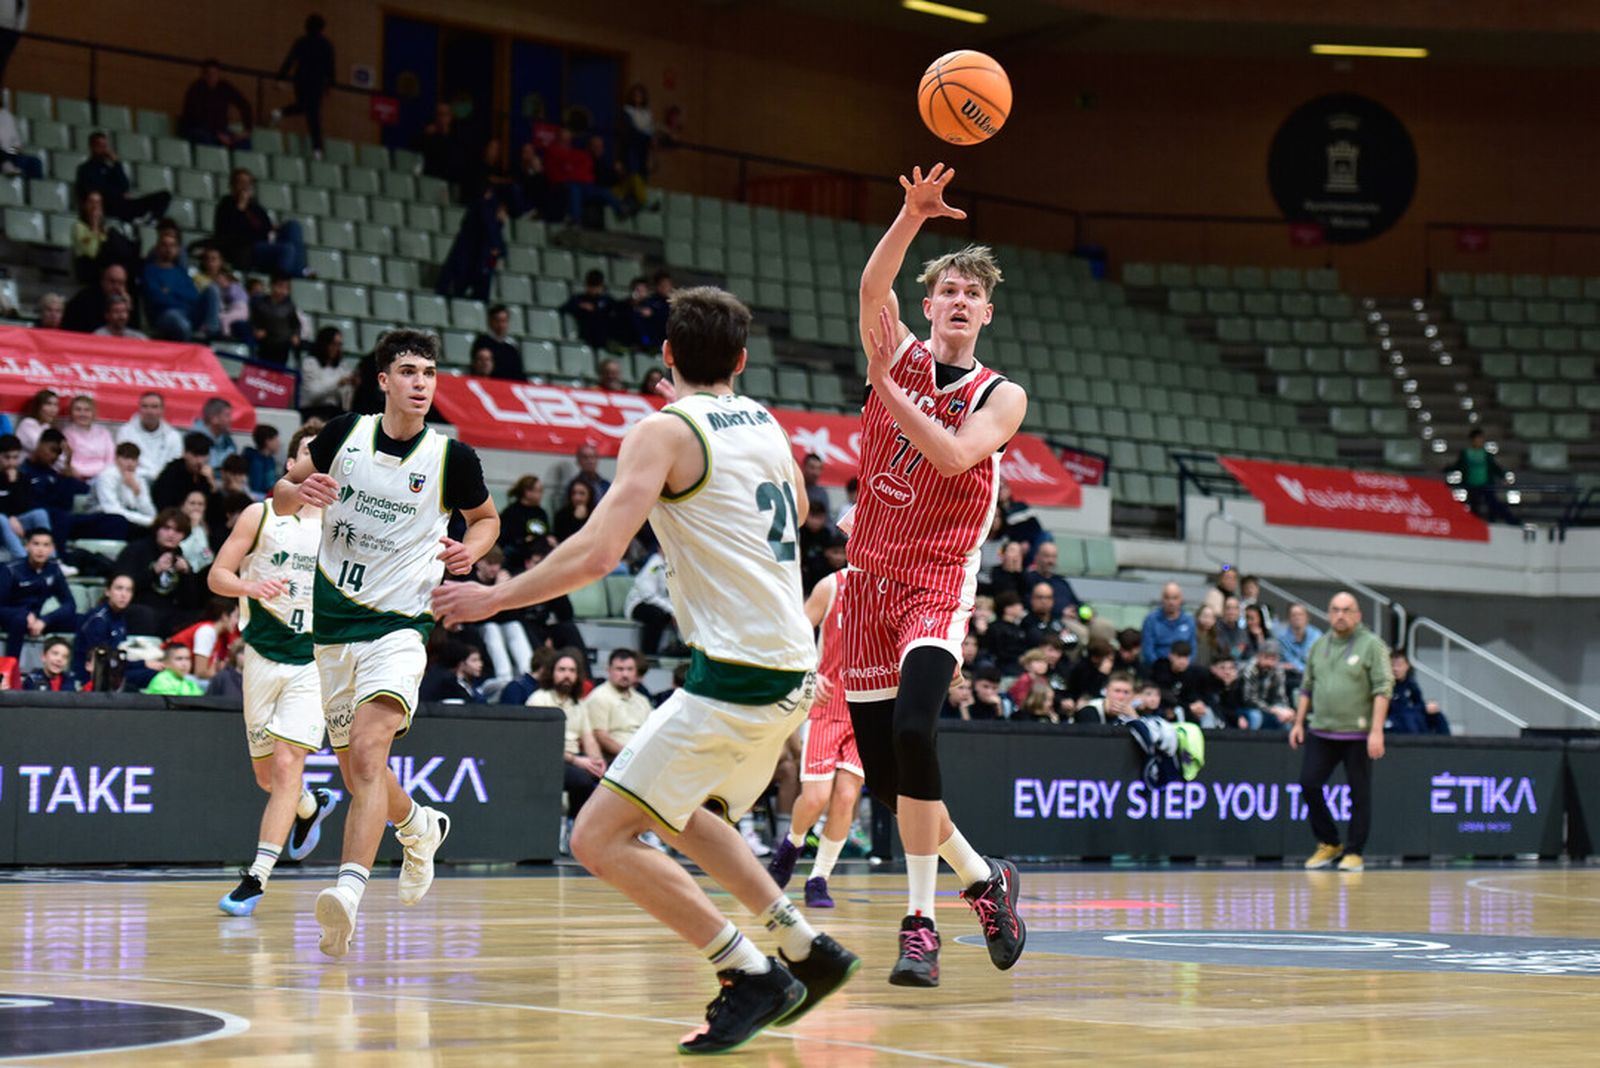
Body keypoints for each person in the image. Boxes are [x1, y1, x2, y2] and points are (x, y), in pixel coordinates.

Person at [433, 286, 859, 1055]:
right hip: (795, 666)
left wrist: (492, 598)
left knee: (598, 839)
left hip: (738, 674)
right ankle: (802, 944)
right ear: (741, 360)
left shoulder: (662, 432)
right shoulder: (764, 420)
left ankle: (749, 972)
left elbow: (596, 555)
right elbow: (795, 513)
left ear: (665, 355)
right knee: (679, 810)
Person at [847, 163, 1028, 987]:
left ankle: (919, 925)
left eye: (970, 294)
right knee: (889, 778)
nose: (956, 301)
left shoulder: (1003, 394)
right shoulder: (895, 350)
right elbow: (871, 280)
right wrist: (912, 215)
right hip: (865, 585)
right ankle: (986, 882)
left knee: (916, 733)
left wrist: (887, 390)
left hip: (935, 582)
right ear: (928, 306)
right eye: (945, 290)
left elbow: (953, 454)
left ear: (986, 313)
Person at [274, 329, 499, 958]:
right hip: (333, 625)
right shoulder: (345, 434)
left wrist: (468, 553)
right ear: (383, 381)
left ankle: (346, 892)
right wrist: (300, 493)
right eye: (408, 371)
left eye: (429, 371)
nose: (421, 382)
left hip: (401, 626)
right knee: (356, 773)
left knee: (369, 757)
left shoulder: (453, 459)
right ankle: (419, 824)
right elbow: (283, 493)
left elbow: (486, 520)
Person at [767, 568, 862, 909]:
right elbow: (795, 634)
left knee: (846, 796)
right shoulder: (832, 584)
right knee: (814, 798)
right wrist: (808, 674)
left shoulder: (895, 587)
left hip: (868, 708)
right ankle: (791, 846)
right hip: (827, 705)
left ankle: (819, 878)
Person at [1290, 591, 1394, 874]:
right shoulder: (1319, 645)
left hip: (1358, 734)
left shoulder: (1372, 645)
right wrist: (1298, 723)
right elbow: (1307, 686)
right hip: (1321, 730)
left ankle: (1354, 852)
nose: (1340, 615)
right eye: (1335, 609)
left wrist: (1376, 731)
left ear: (1358, 615)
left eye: (1346, 610)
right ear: (1328, 613)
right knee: (1309, 783)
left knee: (1359, 793)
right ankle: (1329, 842)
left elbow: (1383, 688)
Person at [114, 507, 204, 635]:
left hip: (168, 613)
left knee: (199, 616)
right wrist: (154, 570)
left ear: (184, 536)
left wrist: (187, 574)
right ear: (157, 529)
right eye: (167, 528)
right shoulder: (136, 550)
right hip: (137, 607)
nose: (171, 534)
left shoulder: (180, 557)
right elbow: (120, 587)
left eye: (178, 531)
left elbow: (190, 603)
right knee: (146, 615)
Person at [74, 573, 162, 689]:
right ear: (108, 592)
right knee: (155, 675)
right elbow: (103, 661)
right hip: (94, 676)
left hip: (115, 669)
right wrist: (143, 663)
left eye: (128, 590)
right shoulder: (98, 620)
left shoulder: (119, 616)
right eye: (119, 588)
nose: (123, 594)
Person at [214, 169, 306, 278]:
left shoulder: (255, 207)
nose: (245, 186)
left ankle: (299, 273)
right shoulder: (226, 205)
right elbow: (229, 231)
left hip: (263, 243)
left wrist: (274, 229)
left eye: (248, 183)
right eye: (241, 182)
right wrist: (240, 207)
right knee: (287, 249)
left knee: (293, 227)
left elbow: (266, 226)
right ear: (233, 186)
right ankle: (286, 280)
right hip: (246, 249)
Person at [0, 528, 76, 656]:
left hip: (38, 620)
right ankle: (12, 667)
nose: (40, 550)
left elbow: (70, 604)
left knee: (82, 620)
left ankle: (75, 672)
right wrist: (24, 614)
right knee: (19, 620)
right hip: (12, 617)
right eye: (36, 544)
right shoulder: (10, 570)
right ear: (27, 546)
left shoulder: (53, 570)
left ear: (52, 548)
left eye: (46, 545)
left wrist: (45, 620)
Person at [74, 131, 170, 225]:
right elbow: (97, 191)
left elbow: (125, 186)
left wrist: (116, 163)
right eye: (100, 146)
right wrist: (119, 193)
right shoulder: (85, 169)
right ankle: (136, 220)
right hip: (107, 207)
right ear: (92, 147)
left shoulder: (110, 168)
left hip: (124, 204)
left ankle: (152, 222)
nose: (104, 149)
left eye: (105, 146)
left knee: (164, 195)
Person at [273, 14, 336, 155]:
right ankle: (317, 148)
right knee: (312, 112)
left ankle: (281, 112)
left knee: (305, 107)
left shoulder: (301, 41)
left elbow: (289, 61)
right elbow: (330, 67)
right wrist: (330, 84)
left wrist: (280, 77)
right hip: (316, 82)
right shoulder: (326, 45)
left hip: (301, 80)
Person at [143, 229, 222, 342]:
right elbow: (157, 299)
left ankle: (210, 335)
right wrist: (181, 296)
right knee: (177, 319)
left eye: (172, 246)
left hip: (188, 313)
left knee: (212, 290)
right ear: (158, 248)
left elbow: (194, 296)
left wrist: (171, 292)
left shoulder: (181, 271)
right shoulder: (150, 271)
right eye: (165, 245)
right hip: (165, 315)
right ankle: (189, 348)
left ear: (177, 249)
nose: (168, 249)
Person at [580, 648, 653, 759]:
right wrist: (631, 756)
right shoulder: (599, 697)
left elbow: (652, 732)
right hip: (616, 760)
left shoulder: (642, 700)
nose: (625, 674)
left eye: (630, 669)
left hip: (644, 756)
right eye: (620, 669)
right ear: (609, 670)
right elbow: (601, 737)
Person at [180, 59, 253, 147]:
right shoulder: (195, 90)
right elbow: (196, 118)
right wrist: (217, 134)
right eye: (209, 74)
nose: (212, 77)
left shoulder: (225, 87)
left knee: (244, 143)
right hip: (197, 129)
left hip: (220, 131)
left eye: (215, 74)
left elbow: (244, 105)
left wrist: (247, 130)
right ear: (203, 75)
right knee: (205, 138)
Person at [1449, 428, 1516, 524]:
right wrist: (1445, 470)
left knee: (1493, 503)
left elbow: (1494, 467)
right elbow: (1458, 466)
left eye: (1481, 439)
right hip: (1472, 485)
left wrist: (1503, 476)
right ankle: (1474, 525)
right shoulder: (1466, 453)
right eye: (1478, 439)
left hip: (1486, 484)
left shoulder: (1486, 454)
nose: (1480, 441)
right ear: (1473, 440)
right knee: (1474, 506)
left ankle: (1500, 521)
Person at [116, 393, 185, 484]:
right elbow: (125, 463)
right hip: (135, 480)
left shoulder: (173, 436)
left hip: (165, 483)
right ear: (139, 409)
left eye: (154, 407)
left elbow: (175, 466)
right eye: (145, 406)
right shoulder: (126, 432)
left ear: (162, 410)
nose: (149, 411)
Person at [166, 596, 239, 680]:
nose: (237, 622)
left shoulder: (219, 636)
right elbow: (200, 673)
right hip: (169, 675)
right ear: (225, 616)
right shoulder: (207, 632)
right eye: (236, 616)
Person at [93, 441, 156, 530]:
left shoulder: (139, 478)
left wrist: (137, 491)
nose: (130, 463)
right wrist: (147, 521)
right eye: (126, 458)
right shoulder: (107, 476)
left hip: (128, 520)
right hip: (100, 518)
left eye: (134, 459)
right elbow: (111, 510)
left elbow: (150, 514)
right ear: (116, 459)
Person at [622, 550, 676, 654]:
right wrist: (672, 610)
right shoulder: (654, 564)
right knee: (656, 615)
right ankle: (649, 655)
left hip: (661, 605)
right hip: (639, 604)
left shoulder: (673, 565)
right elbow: (648, 595)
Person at [1386, 652, 1449, 735]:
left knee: (1437, 714)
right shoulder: (1385, 686)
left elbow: (1419, 703)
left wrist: (1429, 707)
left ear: (1407, 666)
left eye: (1399, 665)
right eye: (1393, 665)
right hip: (1394, 724)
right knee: (1406, 716)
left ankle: (1446, 745)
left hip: (1413, 722)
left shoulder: (1411, 684)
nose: (1396, 669)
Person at [301, 326, 354, 421]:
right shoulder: (310, 363)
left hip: (335, 411)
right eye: (333, 344)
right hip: (314, 410)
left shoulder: (342, 366)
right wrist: (338, 383)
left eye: (339, 345)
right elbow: (313, 394)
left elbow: (345, 401)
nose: (336, 349)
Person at [497, 476, 551, 567]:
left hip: (538, 552)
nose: (541, 495)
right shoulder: (512, 512)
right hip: (517, 552)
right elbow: (507, 539)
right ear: (527, 492)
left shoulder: (541, 513)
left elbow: (546, 532)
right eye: (538, 491)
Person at [1241, 640, 1295, 731]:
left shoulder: (1278, 670)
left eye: (1273, 659)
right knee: (1256, 717)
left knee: (1286, 719)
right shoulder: (1250, 669)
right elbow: (1250, 699)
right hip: (1245, 708)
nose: (1269, 662)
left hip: (1268, 707)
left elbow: (1280, 696)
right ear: (1259, 656)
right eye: (1266, 658)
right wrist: (1273, 710)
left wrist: (1285, 710)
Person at [59, 395, 115, 480]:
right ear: (71, 413)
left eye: (87, 410)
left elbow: (111, 458)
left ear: (93, 413)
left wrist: (106, 475)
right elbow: (64, 460)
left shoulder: (103, 432)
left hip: (103, 477)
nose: (83, 414)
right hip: (77, 477)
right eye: (78, 409)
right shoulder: (67, 433)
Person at [470, 304, 524, 381]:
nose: (501, 325)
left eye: (504, 321)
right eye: (497, 321)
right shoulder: (482, 343)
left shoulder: (511, 349)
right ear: (490, 322)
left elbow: (519, 374)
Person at [1274, 602, 1323, 679]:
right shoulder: (1282, 638)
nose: (1297, 618)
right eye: (1294, 615)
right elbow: (1289, 662)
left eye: (1300, 614)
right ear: (1289, 618)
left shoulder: (1316, 635)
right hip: (1290, 677)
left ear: (1307, 617)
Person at [19, 636, 84, 691]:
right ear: (44, 657)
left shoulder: (70, 680)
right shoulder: (32, 680)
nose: (59, 659)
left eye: (65, 657)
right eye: (55, 654)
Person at [192, 397, 238, 473]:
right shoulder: (194, 442)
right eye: (227, 415)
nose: (231, 419)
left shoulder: (229, 443)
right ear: (214, 419)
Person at [243, 426, 281, 498]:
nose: (278, 443)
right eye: (275, 439)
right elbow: (256, 489)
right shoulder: (256, 462)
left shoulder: (270, 460)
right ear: (267, 441)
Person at [553, 478, 594, 542]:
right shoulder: (561, 515)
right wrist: (576, 520)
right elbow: (564, 540)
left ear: (589, 496)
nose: (577, 498)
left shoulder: (596, 513)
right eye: (574, 493)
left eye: (582, 493)